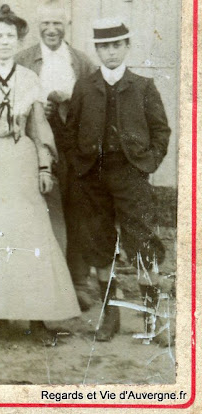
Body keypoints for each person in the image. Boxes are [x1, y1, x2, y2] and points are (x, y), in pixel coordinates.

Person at [0, 5, 81, 345]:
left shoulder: (30, 79)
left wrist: (43, 166)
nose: (4, 42)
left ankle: (36, 317)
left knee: (30, 234)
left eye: (10, 36)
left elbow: (40, 128)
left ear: (18, 39)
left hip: (21, 161)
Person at [65, 19, 171, 342]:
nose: (110, 52)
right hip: (93, 176)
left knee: (140, 243)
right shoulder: (84, 86)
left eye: (116, 46)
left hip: (130, 174)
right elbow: (71, 130)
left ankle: (153, 321)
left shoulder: (143, 86)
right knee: (99, 244)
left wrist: (146, 164)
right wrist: (81, 165)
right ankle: (110, 318)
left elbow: (161, 132)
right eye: (104, 47)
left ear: (126, 47)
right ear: (96, 50)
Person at [15, 0, 98, 311]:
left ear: (67, 25)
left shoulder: (81, 62)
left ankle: (77, 283)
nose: (51, 30)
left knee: (77, 212)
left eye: (57, 23)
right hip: (36, 144)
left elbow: (93, 105)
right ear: (38, 27)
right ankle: (41, 284)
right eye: (46, 24)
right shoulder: (24, 60)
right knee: (42, 212)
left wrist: (68, 104)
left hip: (73, 148)